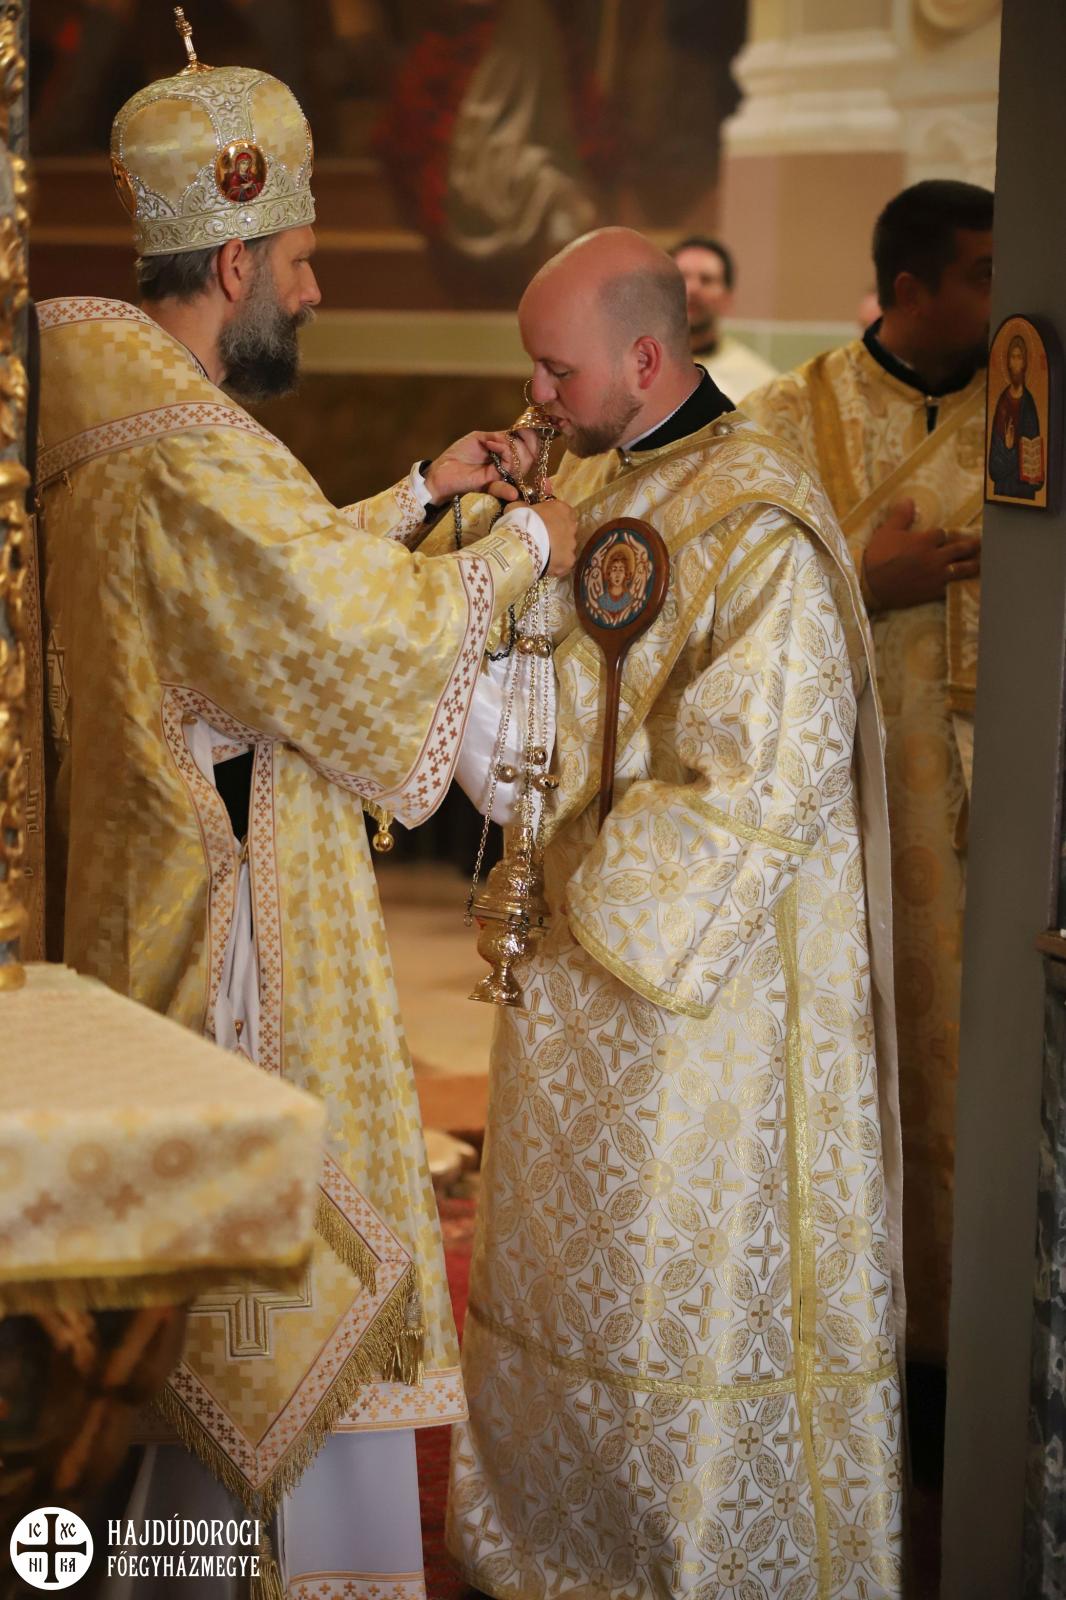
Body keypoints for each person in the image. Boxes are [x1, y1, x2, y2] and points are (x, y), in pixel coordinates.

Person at [36, 33, 576, 1600]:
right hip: (236, 950)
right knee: (251, 1310)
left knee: (171, 1307)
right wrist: (527, 546)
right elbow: (339, 630)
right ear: (236, 262)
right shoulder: (191, 447)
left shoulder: (110, 411)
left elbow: (253, 599)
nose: (318, 289)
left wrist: (413, 496)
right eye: (304, 260)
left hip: (141, 897)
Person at [442, 228, 905, 1598]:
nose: (536, 393)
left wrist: (583, 886)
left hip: (689, 1001)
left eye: (556, 369)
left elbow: (764, 770)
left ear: (644, 358)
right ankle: (545, 1544)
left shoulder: (758, 520)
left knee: (662, 1286)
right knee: (560, 1274)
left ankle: (670, 1562)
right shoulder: (594, 474)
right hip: (566, 968)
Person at [744, 179, 993, 1373]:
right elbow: (728, 593)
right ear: (909, 288)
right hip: (831, 809)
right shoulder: (789, 417)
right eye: (984, 274)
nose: (1010, 296)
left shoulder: (1030, 410)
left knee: (972, 1077)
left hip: (980, 822)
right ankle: (846, 1343)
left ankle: (964, 1352)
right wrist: (862, 577)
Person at [669, 234, 778, 401]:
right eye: (682, 277)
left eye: (706, 280)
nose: (692, 288)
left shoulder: (760, 385)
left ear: (727, 298)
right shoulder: (637, 370)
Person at [988, 331, 1045, 499]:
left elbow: (1033, 448)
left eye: (1019, 357)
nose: (1015, 362)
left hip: (1023, 486)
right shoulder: (1002, 402)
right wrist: (1007, 448)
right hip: (1004, 484)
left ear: (1025, 363)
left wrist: (1031, 465)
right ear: (1008, 362)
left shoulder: (1029, 403)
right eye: (1012, 357)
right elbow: (994, 458)